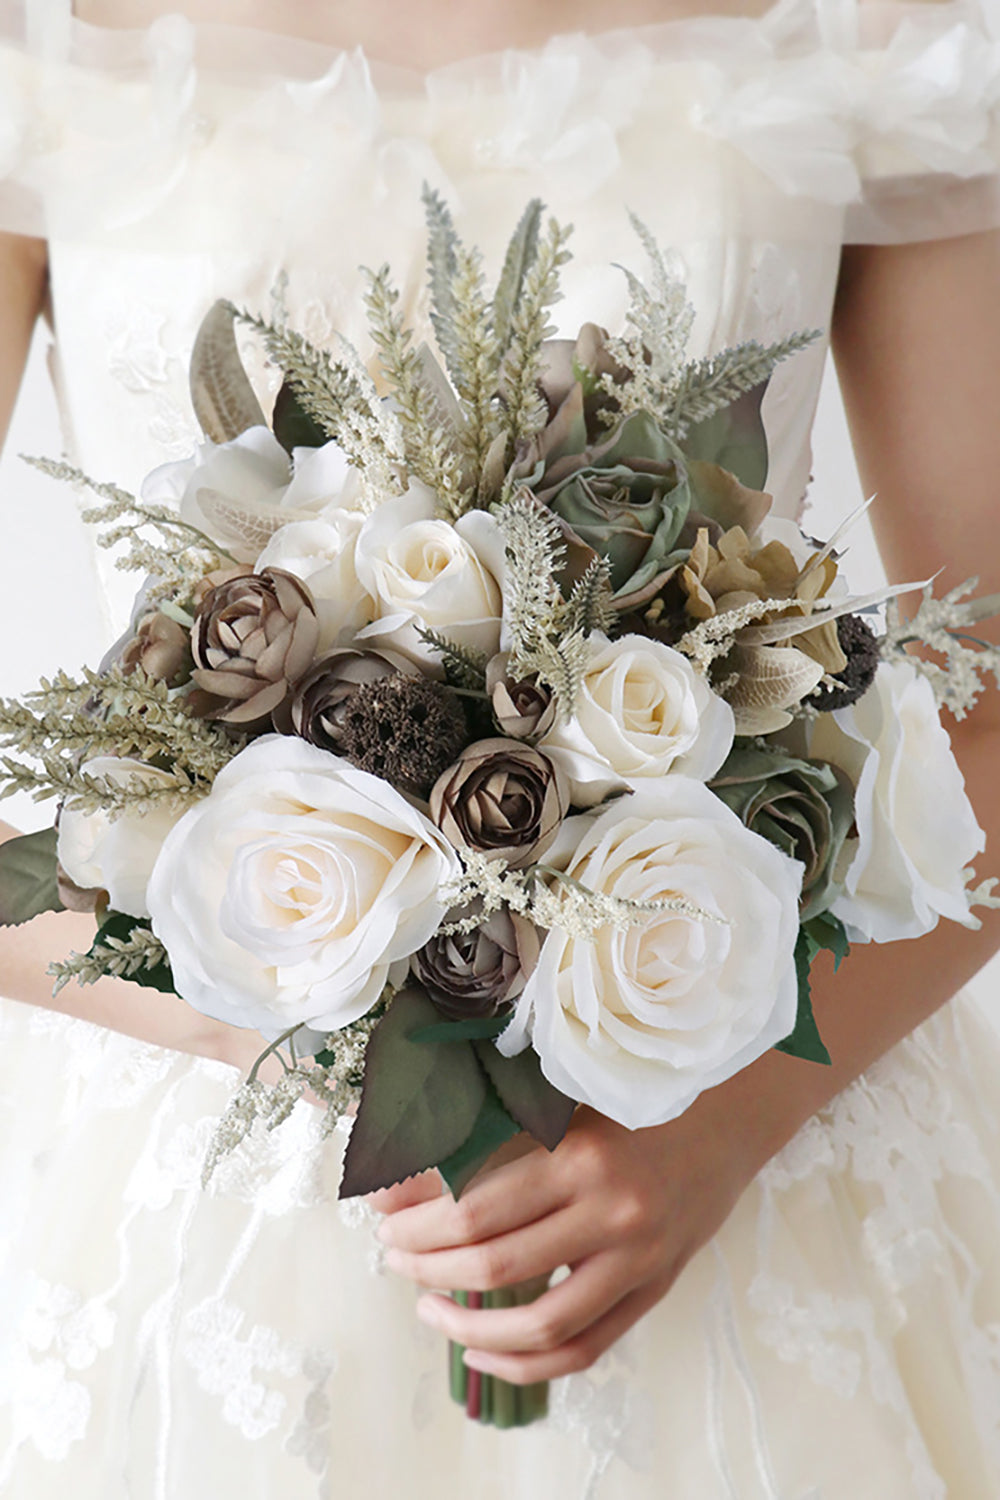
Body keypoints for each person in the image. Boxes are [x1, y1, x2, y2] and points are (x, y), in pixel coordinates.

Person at [1, 0, 1000, 1493]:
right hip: (210, 1199)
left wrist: (723, 1126)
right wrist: (291, 1006)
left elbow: (983, 696)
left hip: (723, 1118)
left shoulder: (864, 25)